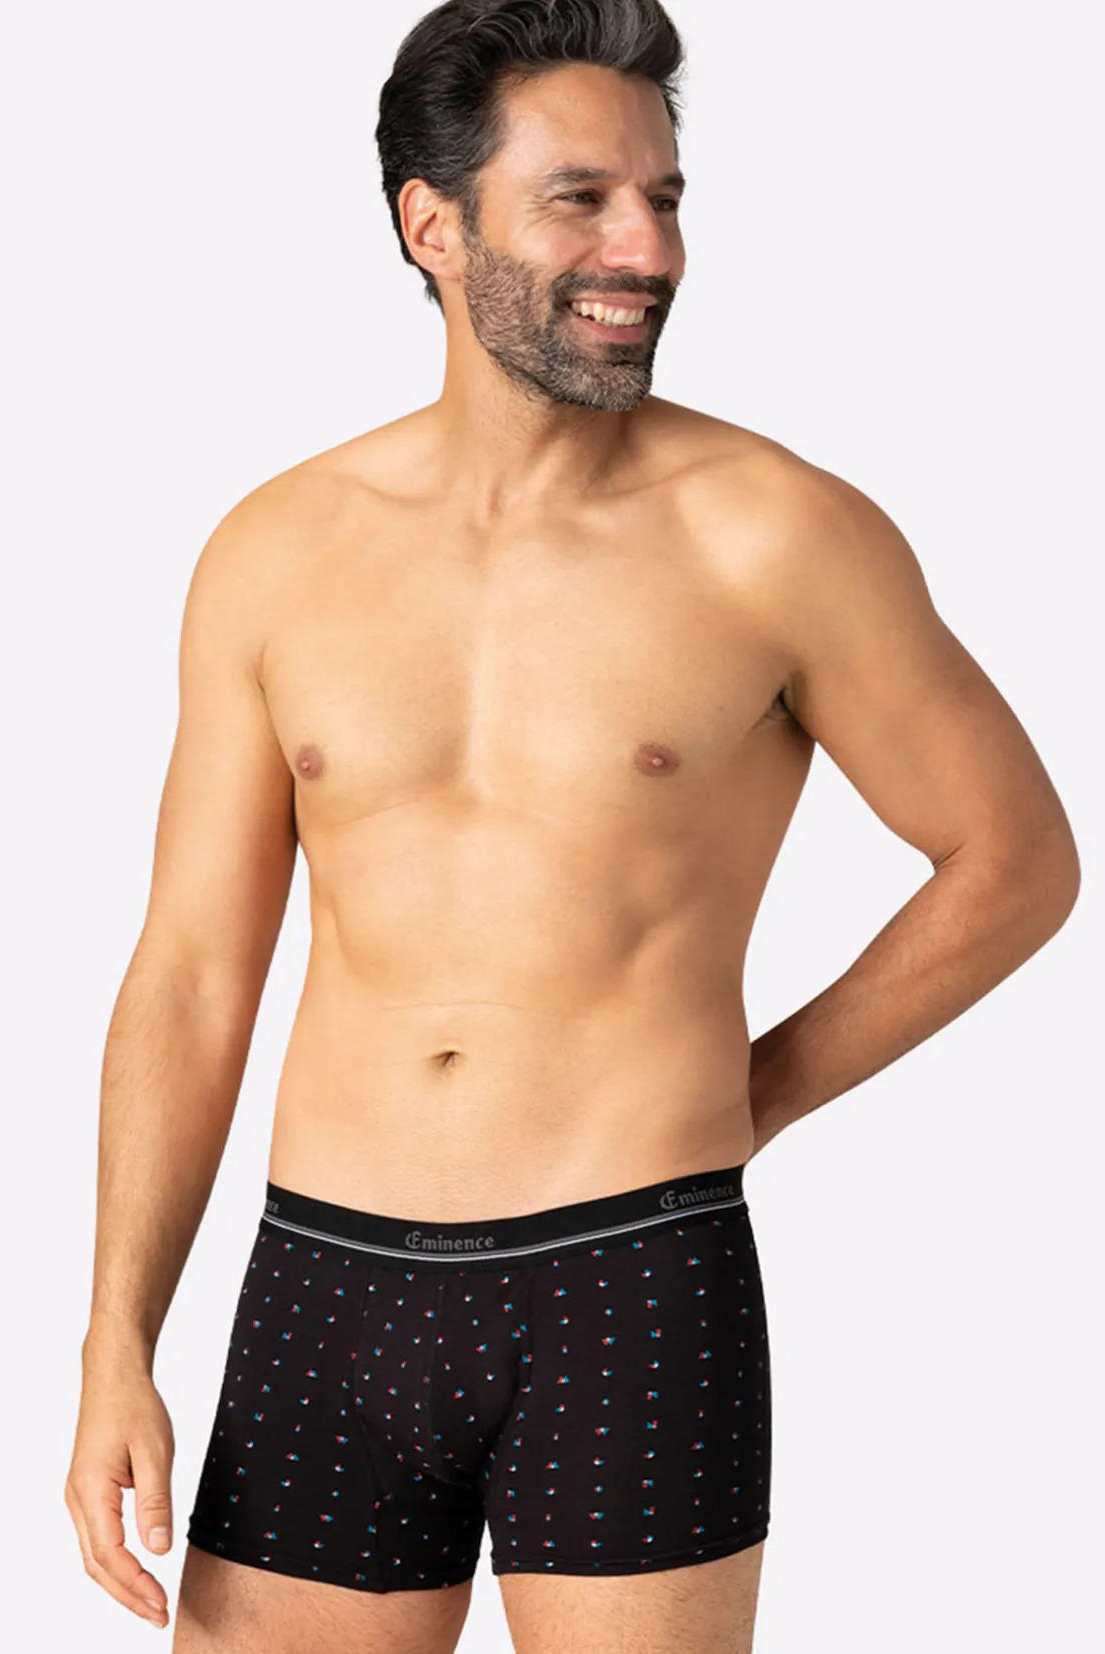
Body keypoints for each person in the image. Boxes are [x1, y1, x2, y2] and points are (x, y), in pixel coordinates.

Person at [64, 3, 1080, 1650]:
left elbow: (1017, 857)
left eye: (664, 198)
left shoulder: (778, 536)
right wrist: (117, 1338)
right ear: (433, 224)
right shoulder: (277, 552)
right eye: (582, 199)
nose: (646, 249)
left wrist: (756, 1091)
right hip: (325, 1281)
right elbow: (189, 973)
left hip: (631, 1274)